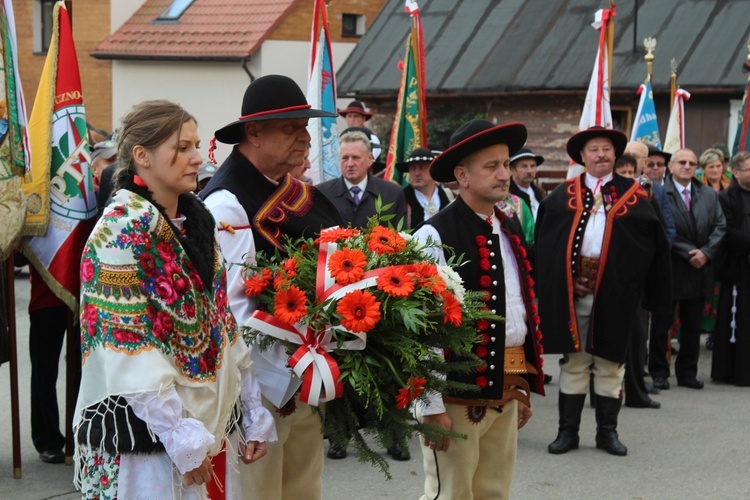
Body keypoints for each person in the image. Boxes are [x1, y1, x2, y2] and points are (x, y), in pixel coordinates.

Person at [73, 100, 276, 499]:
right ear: (141, 156)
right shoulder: (120, 229)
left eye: (196, 145)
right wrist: (178, 435)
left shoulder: (196, 220)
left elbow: (222, 322)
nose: (197, 158)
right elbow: (127, 349)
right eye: (181, 148)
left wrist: (252, 408)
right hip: (145, 437)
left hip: (206, 422)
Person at [201, 75, 343, 500]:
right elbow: (232, 312)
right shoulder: (226, 201)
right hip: (262, 388)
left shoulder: (303, 194)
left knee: (303, 491)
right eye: (290, 128)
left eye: (304, 127)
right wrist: (267, 389)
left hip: (306, 376)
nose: (304, 138)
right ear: (254, 132)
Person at [413, 119, 545, 499]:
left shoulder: (510, 228)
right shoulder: (433, 234)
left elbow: (517, 313)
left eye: (506, 164)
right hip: (455, 395)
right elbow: (423, 328)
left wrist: (521, 386)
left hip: (505, 382)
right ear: (462, 176)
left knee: (494, 491)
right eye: (492, 166)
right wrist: (429, 405)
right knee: (450, 493)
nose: (504, 174)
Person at [536, 126, 671, 457]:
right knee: (576, 362)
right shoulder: (560, 197)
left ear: (615, 155)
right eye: (594, 149)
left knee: (612, 363)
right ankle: (567, 432)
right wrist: (569, 277)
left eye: (607, 149)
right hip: (576, 293)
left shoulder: (636, 196)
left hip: (618, 295)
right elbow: (546, 246)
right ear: (582, 156)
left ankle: (607, 433)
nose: (601, 155)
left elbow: (649, 247)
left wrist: (623, 283)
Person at [651, 148, 726, 390]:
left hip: (699, 268)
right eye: (682, 162)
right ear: (671, 166)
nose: (687, 166)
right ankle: (659, 371)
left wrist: (706, 252)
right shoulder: (661, 192)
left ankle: (687, 372)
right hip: (672, 266)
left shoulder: (707, 193)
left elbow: (720, 225)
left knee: (692, 325)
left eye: (692, 163)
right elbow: (663, 228)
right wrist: (689, 252)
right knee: (663, 323)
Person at [614, 154, 662, 409]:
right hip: (610, 280)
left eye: (631, 171)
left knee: (637, 338)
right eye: (621, 171)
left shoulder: (643, 198)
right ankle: (604, 393)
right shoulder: (606, 199)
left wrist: (649, 201)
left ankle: (636, 392)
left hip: (637, 282)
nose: (627, 176)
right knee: (605, 341)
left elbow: (658, 234)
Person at [316, 130, 406, 229]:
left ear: (370, 159)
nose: (350, 164)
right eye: (345, 158)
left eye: (356, 157)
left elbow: (401, 239)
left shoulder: (392, 194)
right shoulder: (322, 194)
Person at [712, 151, 750, 385]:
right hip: (738, 267)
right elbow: (726, 230)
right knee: (738, 320)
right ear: (735, 173)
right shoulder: (726, 197)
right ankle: (735, 372)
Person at [699, 147, 730, 349]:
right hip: (704, 243)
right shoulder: (698, 188)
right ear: (703, 169)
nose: (716, 170)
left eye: (718, 166)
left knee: (719, 292)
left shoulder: (730, 186)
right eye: (711, 167)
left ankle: (714, 332)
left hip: (725, 246)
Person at [396, 147, 450, 229]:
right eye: (413, 168)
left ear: (432, 169)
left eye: (422, 167)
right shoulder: (401, 198)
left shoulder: (447, 195)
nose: (417, 173)